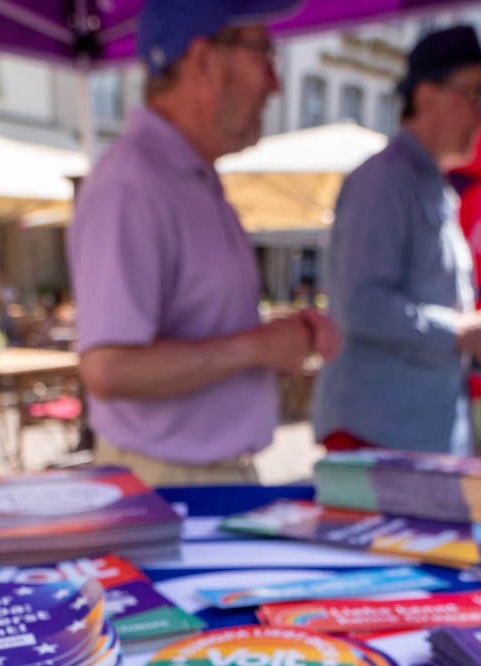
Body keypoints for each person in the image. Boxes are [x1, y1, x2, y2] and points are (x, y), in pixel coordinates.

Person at [70, 0, 340, 486]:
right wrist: (254, 349)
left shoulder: (193, 179)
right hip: (165, 485)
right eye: (264, 53)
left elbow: (200, 329)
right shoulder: (132, 182)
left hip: (201, 480)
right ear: (204, 63)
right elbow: (108, 370)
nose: (275, 84)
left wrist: (270, 342)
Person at [313, 26, 481, 457]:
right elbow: (362, 305)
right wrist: (462, 330)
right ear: (427, 97)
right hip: (375, 435)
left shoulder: (431, 185)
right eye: (476, 94)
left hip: (411, 433)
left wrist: (472, 336)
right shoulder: (383, 181)